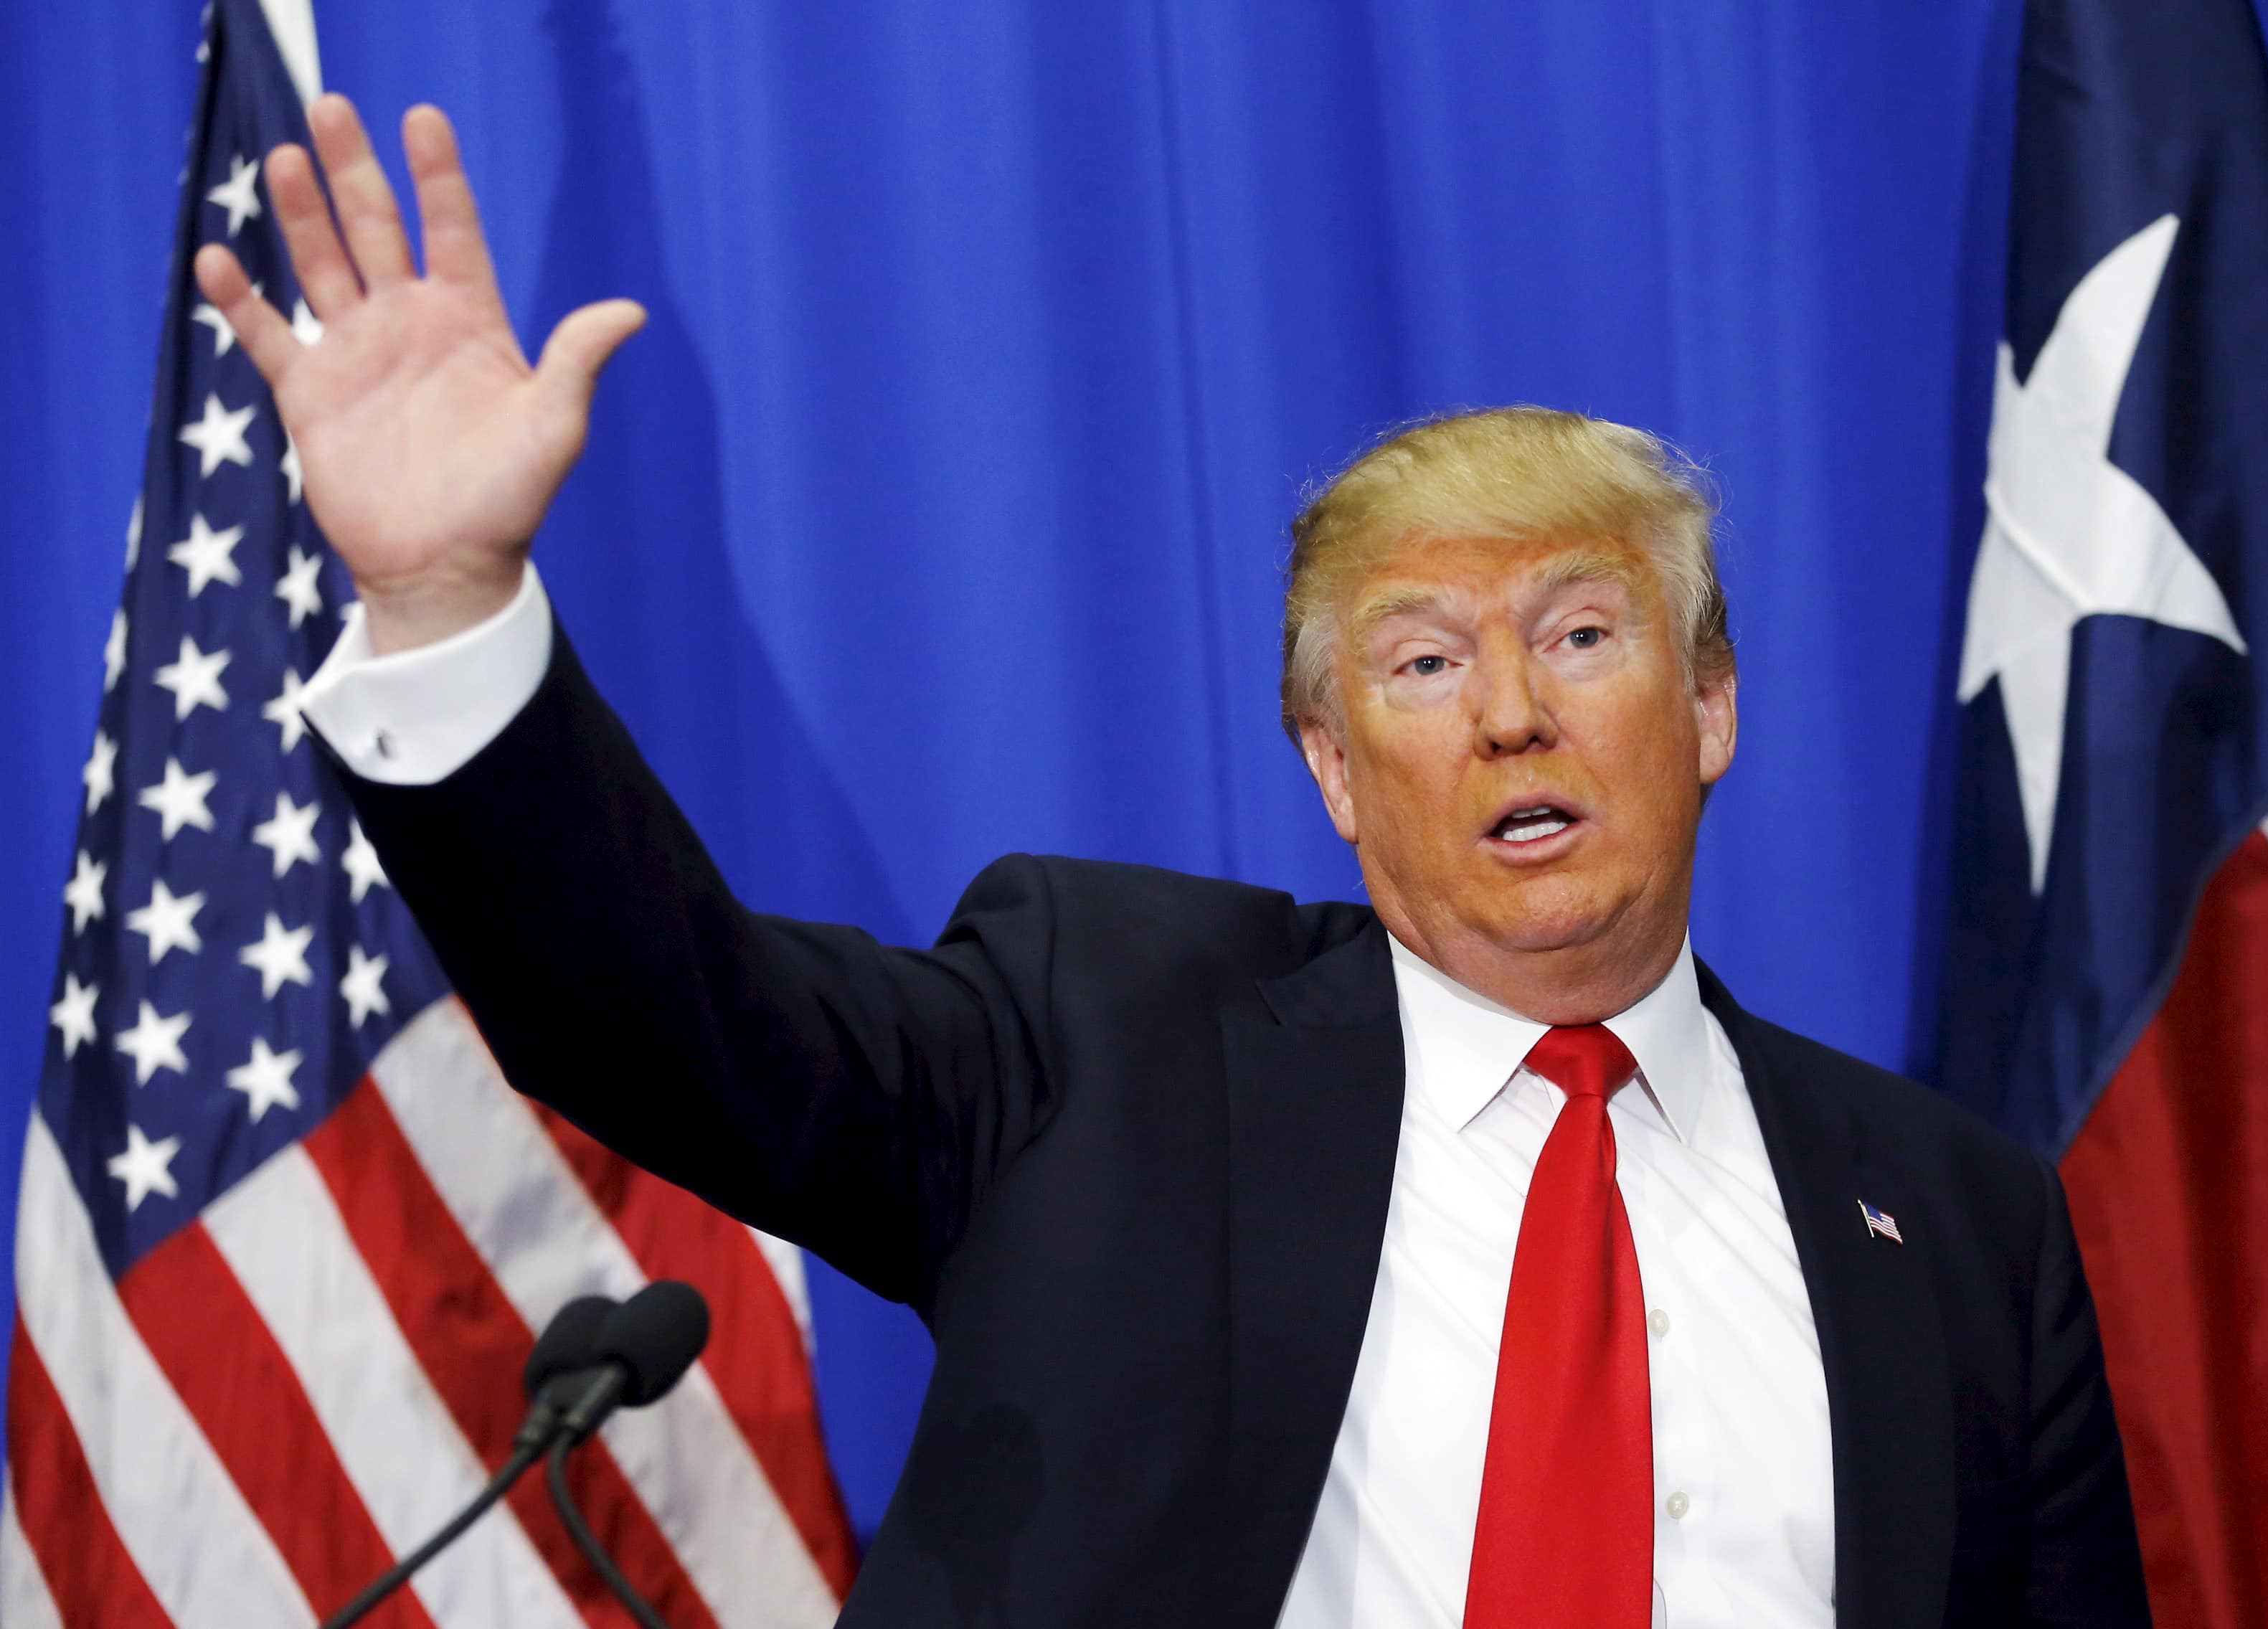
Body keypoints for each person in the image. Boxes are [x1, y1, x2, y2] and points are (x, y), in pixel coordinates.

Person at [199, 95, 2148, 1629]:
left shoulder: (1960, 1233)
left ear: (1706, 707)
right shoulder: (1104, 1037)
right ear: (1330, 770)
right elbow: (670, 1019)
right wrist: (447, 606)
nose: (1505, 717)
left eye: (1577, 633)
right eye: (1417, 665)